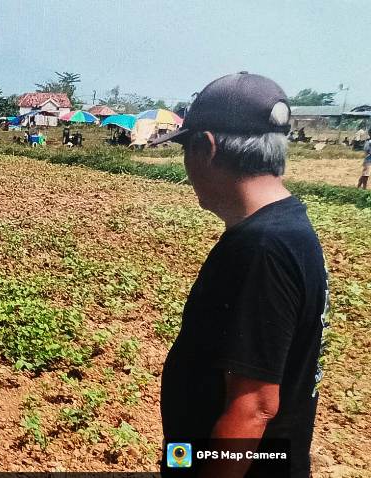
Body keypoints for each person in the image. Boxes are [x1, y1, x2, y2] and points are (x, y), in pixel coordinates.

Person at [152, 73, 328, 478]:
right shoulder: (287, 229)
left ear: (205, 147)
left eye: (186, 149)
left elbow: (253, 409)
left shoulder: (263, 248)